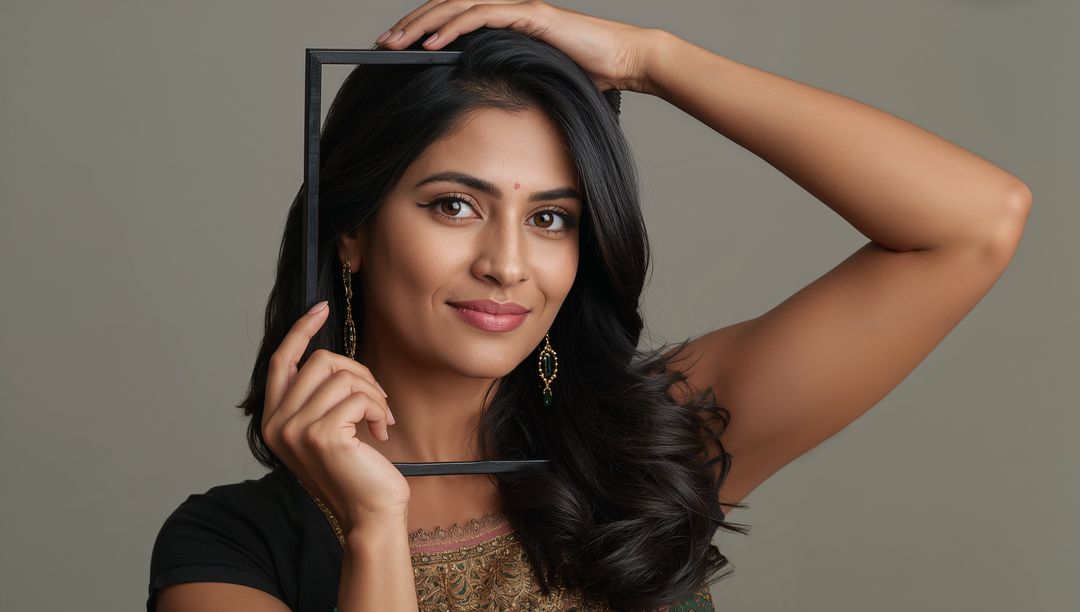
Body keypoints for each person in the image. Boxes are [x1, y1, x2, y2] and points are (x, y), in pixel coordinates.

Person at [147, 2, 1031, 611]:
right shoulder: (232, 546)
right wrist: (378, 531)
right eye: (454, 205)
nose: (507, 264)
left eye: (550, 218)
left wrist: (653, 60)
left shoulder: (645, 445)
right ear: (352, 231)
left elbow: (973, 223)